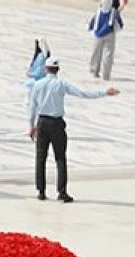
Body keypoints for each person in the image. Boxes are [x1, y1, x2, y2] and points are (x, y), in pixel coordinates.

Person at [28, 56, 119, 203]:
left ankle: (41, 191)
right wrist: (104, 93)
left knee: (40, 158)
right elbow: (83, 93)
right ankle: (62, 191)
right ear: (57, 70)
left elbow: (32, 106)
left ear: (46, 69)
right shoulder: (61, 84)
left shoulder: (38, 85)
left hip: (42, 122)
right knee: (60, 158)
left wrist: (31, 125)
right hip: (56, 123)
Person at [90, 0, 127, 81]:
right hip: (110, 34)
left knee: (96, 53)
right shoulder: (114, 12)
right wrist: (116, 29)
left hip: (98, 35)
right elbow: (120, 24)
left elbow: (91, 23)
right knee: (108, 55)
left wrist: (92, 30)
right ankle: (106, 75)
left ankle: (94, 71)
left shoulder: (98, 12)